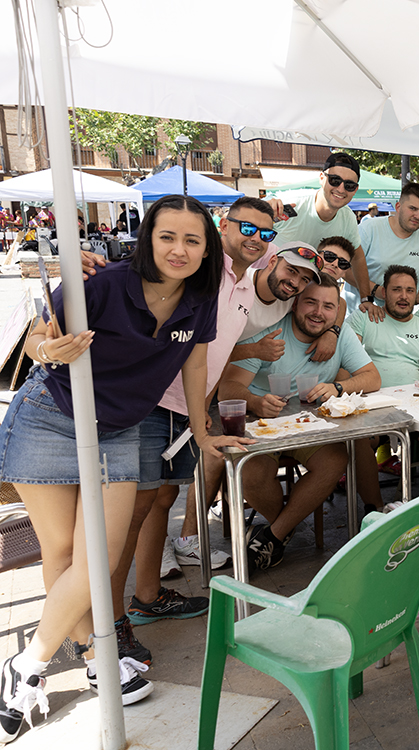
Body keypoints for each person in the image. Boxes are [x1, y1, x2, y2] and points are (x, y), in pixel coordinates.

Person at [0, 195, 249, 738]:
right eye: (167, 237)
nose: (179, 249)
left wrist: (202, 430)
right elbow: (38, 338)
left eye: (192, 240)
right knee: (65, 554)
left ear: (208, 249)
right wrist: (51, 351)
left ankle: (26, 665)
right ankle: (97, 658)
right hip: (49, 418)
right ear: (147, 239)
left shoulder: (201, 298)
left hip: (117, 430)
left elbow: (196, 364)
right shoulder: (102, 284)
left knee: (98, 559)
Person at [110, 197, 275, 668]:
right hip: (151, 402)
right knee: (132, 513)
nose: (255, 239)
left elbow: (211, 352)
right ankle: (110, 624)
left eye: (266, 233)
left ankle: (147, 596)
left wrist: (201, 410)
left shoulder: (244, 286)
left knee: (161, 501)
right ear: (224, 226)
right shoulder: (202, 270)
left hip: (186, 409)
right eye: (247, 228)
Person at [219, 275, 381, 572]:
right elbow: (228, 388)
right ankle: (283, 528)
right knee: (251, 473)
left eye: (328, 306)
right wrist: (255, 401)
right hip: (262, 426)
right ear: (294, 304)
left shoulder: (341, 335)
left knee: (335, 460)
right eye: (310, 302)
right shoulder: (269, 332)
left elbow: (372, 377)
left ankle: (273, 537)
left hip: (309, 427)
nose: (318, 312)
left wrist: (338, 387)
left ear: (336, 311)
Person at [347, 265, 419, 510]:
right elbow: (344, 361)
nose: (403, 296)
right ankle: (376, 510)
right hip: (368, 404)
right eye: (396, 289)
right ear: (384, 292)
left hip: (414, 406)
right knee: (358, 441)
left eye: (410, 290)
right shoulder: (364, 317)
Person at [267, 152, 379, 323]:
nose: (341, 189)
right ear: (321, 178)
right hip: (269, 293)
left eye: (349, 185)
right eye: (334, 180)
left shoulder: (347, 217)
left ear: (355, 190)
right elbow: (239, 220)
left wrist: (366, 299)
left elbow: (357, 257)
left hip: (304, 301)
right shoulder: (292, 203)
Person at [356, 182, 419, 312]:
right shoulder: (369, 229)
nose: (417, 216)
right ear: (398, 206)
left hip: (401, 319)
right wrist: (374, 289)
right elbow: (345, 267)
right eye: (412, 208)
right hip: (360, 314)